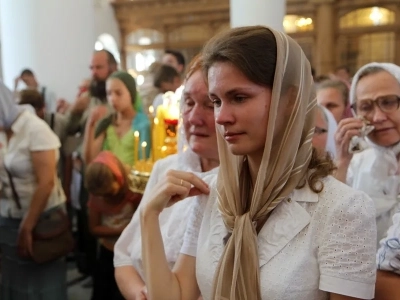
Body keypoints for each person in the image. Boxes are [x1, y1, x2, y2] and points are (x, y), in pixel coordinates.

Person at [140, 26, 377, 300]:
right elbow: (177, 296)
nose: (221, 117)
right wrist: (148, 216)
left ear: (289, 100)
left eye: (239, 98)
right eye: (216, 101)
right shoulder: (214, 193)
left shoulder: (342, 210)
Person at [113, 54, 219, 300]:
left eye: (210, 104)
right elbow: (124, 255)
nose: (193, 117)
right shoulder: (166, 168)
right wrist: (140, 294)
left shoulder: (237, 183)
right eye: (189, 102)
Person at [0, 81, 67, 299]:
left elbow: (46, 182)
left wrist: (26, 227)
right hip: (9, 216)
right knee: (15, 281)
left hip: (41, 219)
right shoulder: (4, 130)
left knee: (42, 285)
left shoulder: (35, 129)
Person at [335, 62, 400, 244]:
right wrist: (341, 160)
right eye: (366, 107)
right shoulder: (356, 164)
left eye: (388, 102)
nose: (378, 117)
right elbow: (330, 227)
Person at [85, 151, 141, 300]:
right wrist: (123, 231)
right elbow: (94, 228)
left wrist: (124, 233)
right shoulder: (97, 193)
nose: (106, 197)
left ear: (119, 178)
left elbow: (142, 222)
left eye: (109, 193)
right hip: (107, 251)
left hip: (131, 252)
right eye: (102, 195)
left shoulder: (133, 190)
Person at [83, 71, 151, 166]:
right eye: (109, 93)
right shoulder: (107, 123)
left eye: (118, 93)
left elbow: (144, 162)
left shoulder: (143, 124)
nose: (113, 99)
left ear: (131, 94)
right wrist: (90, 126)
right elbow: (90, 160)